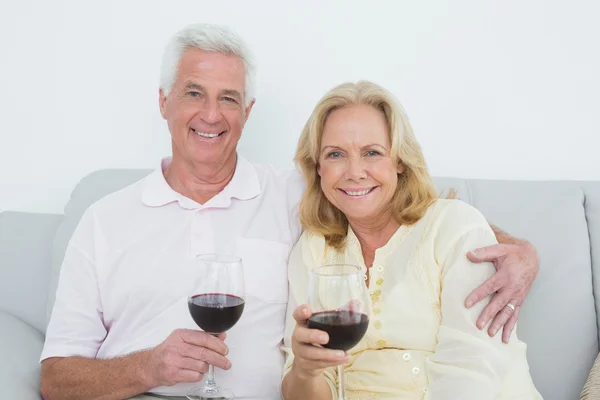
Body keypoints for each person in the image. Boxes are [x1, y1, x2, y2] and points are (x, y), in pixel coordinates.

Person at [39, 24, 539, 400]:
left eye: (228, 98)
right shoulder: (103, 220)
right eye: (194, 92)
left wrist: (517, 249)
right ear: (164, 100)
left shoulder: (293, 193)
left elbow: (400, 209)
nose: (211, 114)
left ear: (248, 111)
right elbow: (55, 377)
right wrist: (146, 368)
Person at [281, 81, 542, 399]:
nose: (355, 171)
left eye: (372, 153)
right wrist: (305, 371)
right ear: (318, 167)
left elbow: (472, 371)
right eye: (335, 154)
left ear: (399, 160)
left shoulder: (453, 228)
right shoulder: (313, 250)